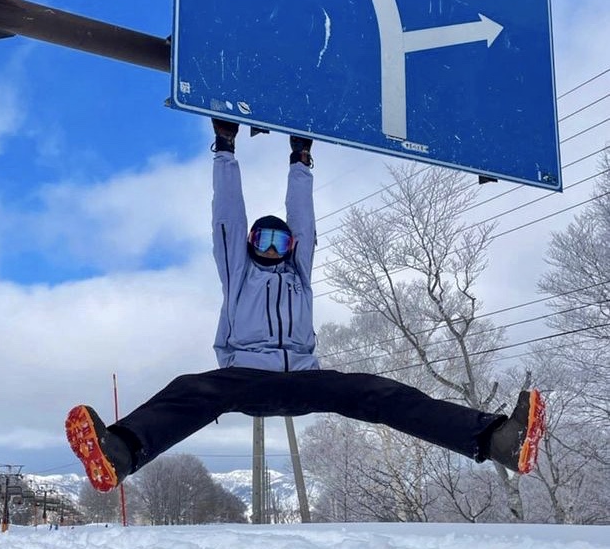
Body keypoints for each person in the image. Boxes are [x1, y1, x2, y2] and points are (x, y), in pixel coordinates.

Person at [66, 120, 546, 493]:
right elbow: (227, 216)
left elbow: (305, 221)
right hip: (246, 378)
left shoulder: (299, 275)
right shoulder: (239, 274)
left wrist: (301, 158)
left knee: (379, 392)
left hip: (305, 377)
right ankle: (120, 452)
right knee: (191, 389)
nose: (273, 247)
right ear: (251, 243)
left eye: (281, 239)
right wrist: (225, 150)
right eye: (263, 238)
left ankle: (496, 440)